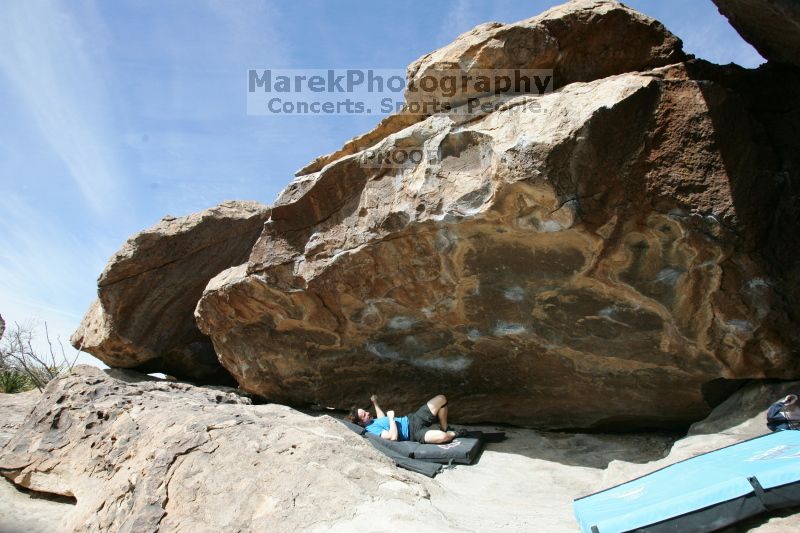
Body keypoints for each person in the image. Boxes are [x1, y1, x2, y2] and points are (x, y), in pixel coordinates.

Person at [346, 394, 464, 444]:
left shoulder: (372, 421)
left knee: (441, 398)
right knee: (443, 437)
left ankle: (445, 427)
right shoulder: (372, 429)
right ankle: (453, 433)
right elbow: (392, 437)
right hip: (414, 433)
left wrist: (375, 402)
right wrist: (391, 418)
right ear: (361, 422)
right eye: (364, 415)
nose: (367, 413)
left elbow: (381, 418)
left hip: (413, 419)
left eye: (365, 411)